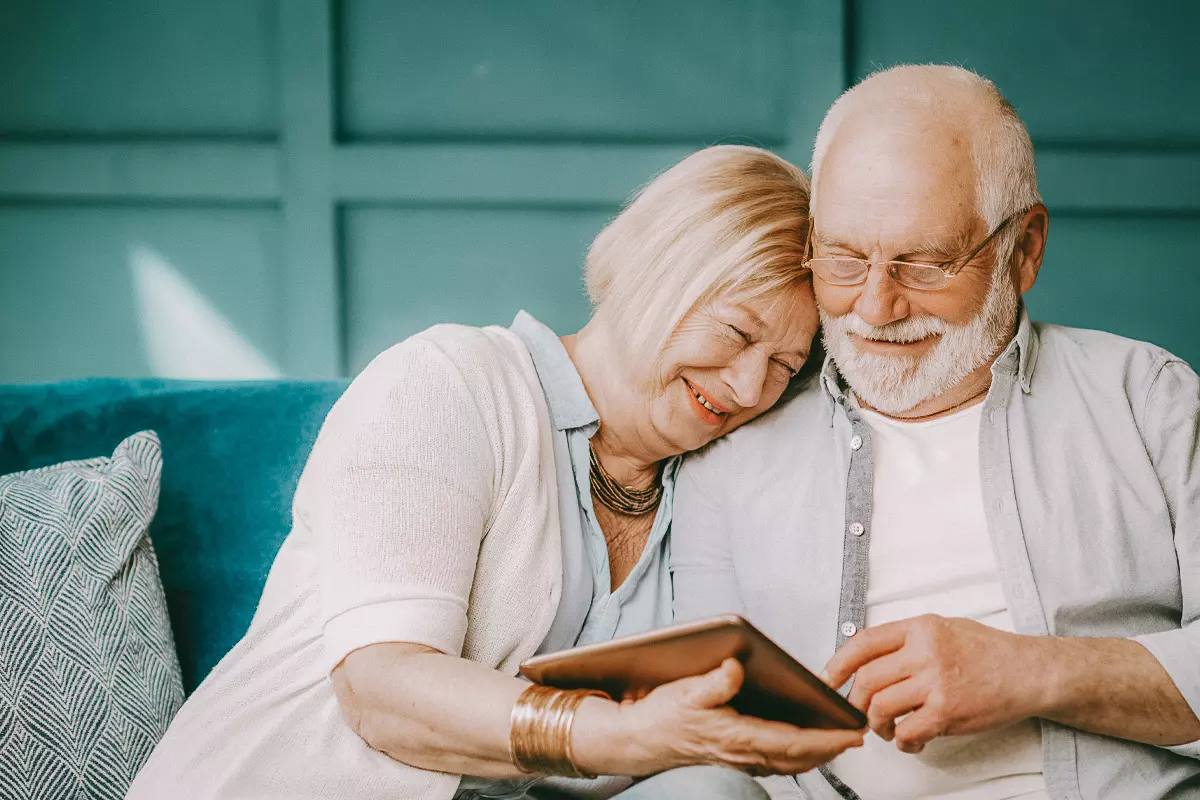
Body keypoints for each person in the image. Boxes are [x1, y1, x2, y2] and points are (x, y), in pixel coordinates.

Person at [126, 145, 863, 800]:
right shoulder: (450, 381)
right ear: (654, 273)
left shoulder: (705, 491)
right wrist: (617, 735)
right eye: (737, 334)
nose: (745, 387)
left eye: (782, 367)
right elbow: (381, 692)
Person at [671, 65, 1200, 800]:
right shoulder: (730, 455)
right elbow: (698, 733)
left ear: (1024, 250)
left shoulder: (1148, 401)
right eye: (845, 259)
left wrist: (1032, 672)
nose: (877, 307)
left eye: (924, 263)